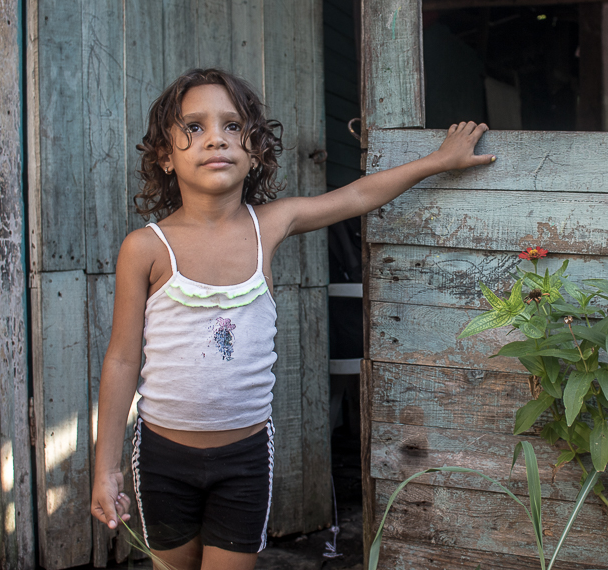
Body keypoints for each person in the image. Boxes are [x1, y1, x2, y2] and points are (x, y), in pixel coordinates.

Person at [90, 68, 494, 570]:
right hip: (161, 457)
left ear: (254, 150)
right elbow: (123, 359)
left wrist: (437, 161)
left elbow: (356, 197)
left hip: (245, 457)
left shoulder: (270, 224)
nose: (216, 137)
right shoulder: (146, 247)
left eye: (233, 126)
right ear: (165, 157)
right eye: (194, 127)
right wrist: (105, 468)